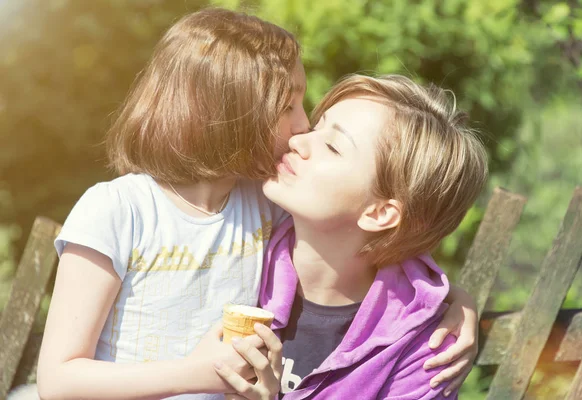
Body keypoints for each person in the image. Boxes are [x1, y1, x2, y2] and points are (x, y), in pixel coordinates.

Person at [36, 8, 477, 400]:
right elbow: (57, 379)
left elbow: (392, 243)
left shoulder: (265, 208)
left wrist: (456, 303)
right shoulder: (131, 211)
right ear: (228, 115)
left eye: (332, 144)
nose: (301, 130)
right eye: (291, 108)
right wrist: (194, 375)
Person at [215, 74, 488, 399]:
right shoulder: (238, 230)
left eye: (332, 147)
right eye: (317, 127)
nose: (298, 141)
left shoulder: (424, 353)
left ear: (379, 214)